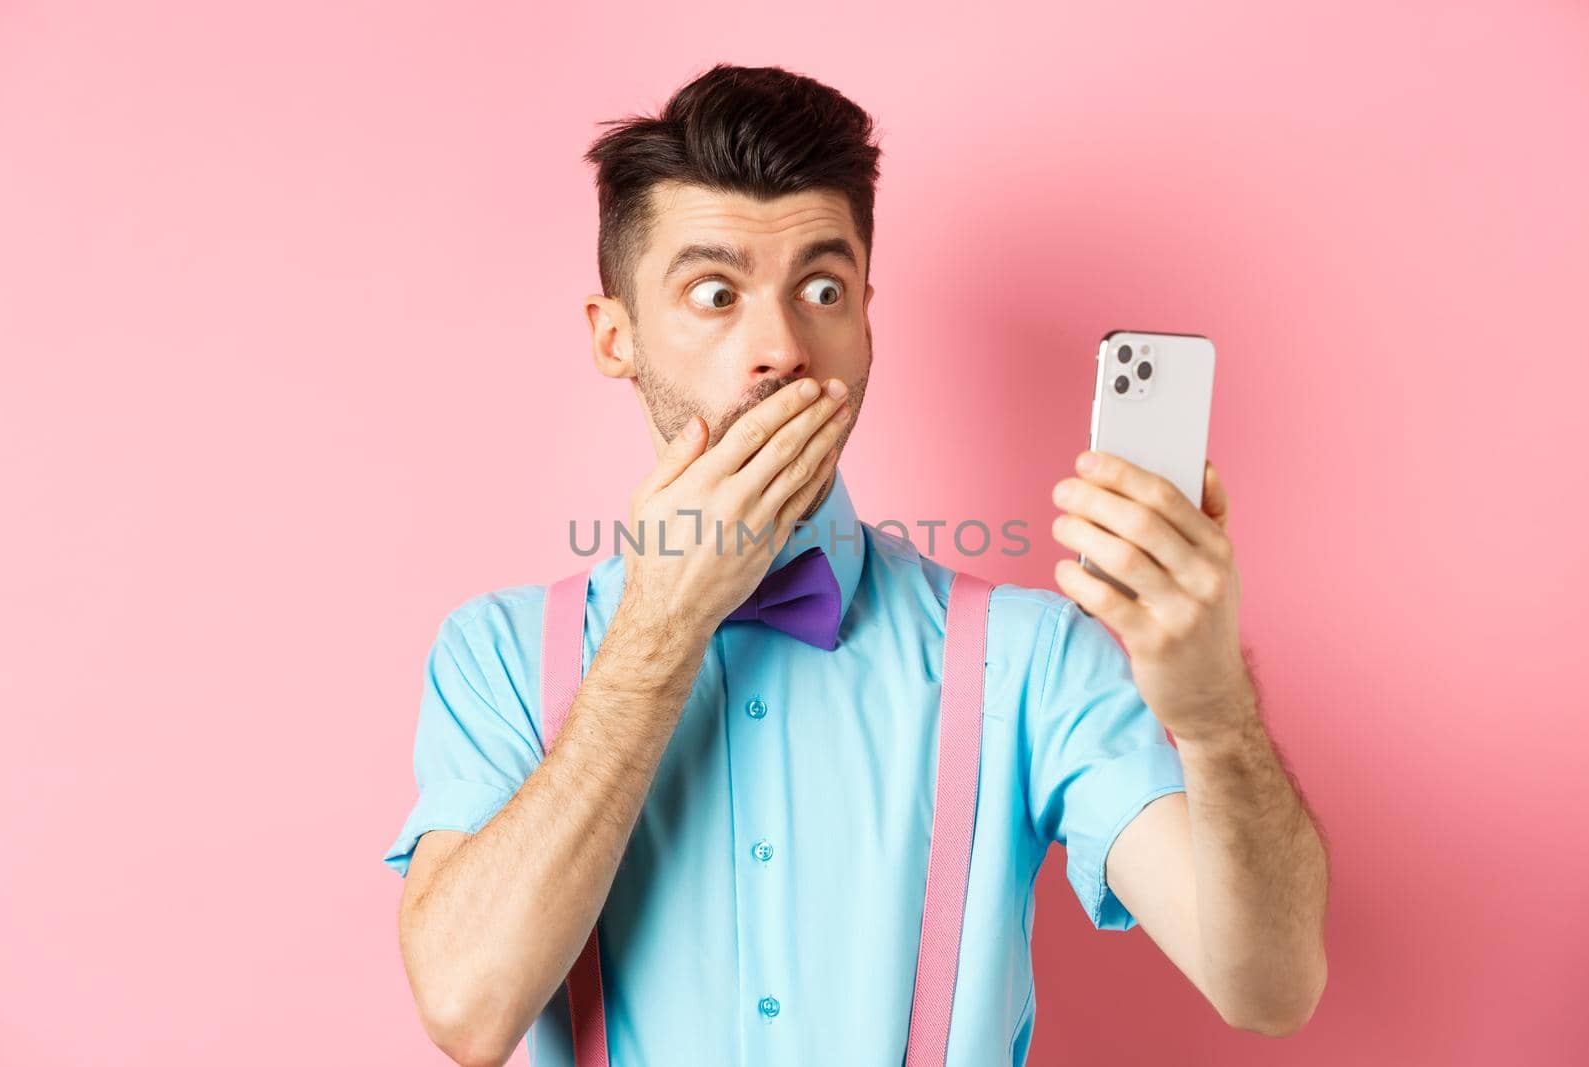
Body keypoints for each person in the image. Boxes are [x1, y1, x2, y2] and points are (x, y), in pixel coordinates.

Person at [381, 63, 1328, 1067]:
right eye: (714, 293)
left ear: (866, 320)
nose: (781, 347)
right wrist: (660, 630)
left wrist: (1215, 713)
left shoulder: (1030, 656)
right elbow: (466, 1008)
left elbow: (1267, 987)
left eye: (821, 289)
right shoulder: (495, 654)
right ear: (615, 336)